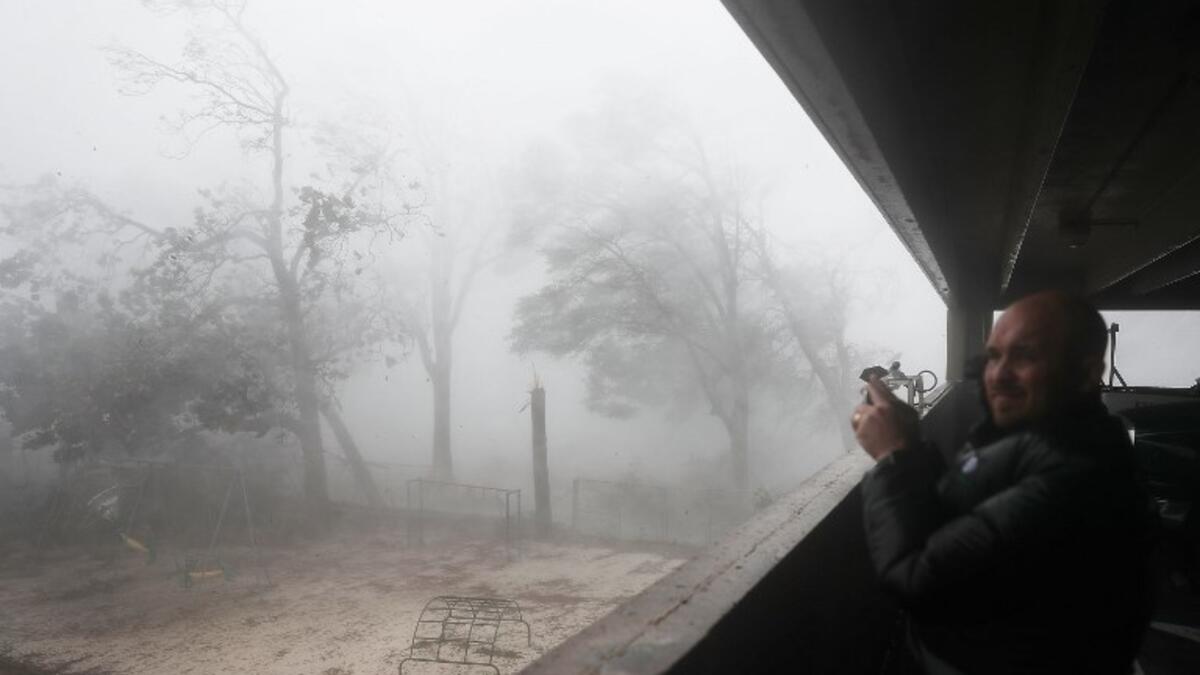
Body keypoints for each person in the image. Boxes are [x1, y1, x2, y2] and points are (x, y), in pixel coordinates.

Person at [852, 291, 1150, 674]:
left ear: (1087, 373)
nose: (998, 374)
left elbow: (914, 578)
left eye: (1025, 356)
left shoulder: (1077, 476)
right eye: (993, 356)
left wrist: (891, 458)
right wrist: (911, 446)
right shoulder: (1035, 437)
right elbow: (962, 514)